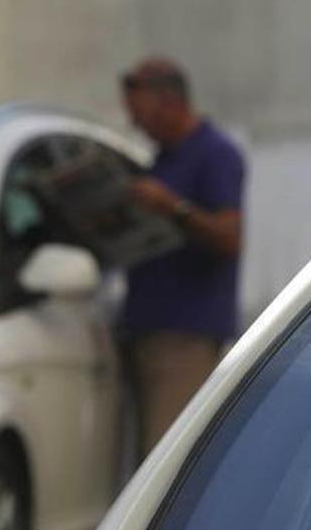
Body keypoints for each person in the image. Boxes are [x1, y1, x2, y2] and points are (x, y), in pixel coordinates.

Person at [119, 57, 245, 458]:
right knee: (142, 465)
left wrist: (172, 207)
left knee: (165, 462)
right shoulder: (162, 159)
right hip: (144, 333)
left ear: (168, 102)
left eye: (140, 113)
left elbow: (229, 236)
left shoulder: (215, 154)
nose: (137, 125)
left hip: (184, 340)